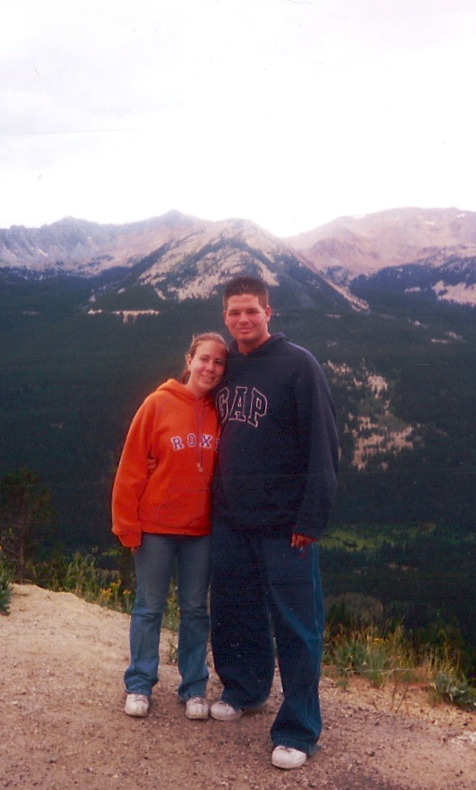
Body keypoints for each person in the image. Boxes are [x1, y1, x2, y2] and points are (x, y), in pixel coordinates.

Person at [209, 276, 339, 770]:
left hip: (287, 524)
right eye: (235, 312)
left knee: (296, 625)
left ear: (269, 312)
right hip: (231, 519)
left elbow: (323, 447)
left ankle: (299, 729)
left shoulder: (298, 364)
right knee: (235, 610)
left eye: (252, 311)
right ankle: (246, 689)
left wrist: (312, 517)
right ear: (225, 317)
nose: (243, 320)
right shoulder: (226, 365)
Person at [111, 332, 227, 720]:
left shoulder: (219, 411)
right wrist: (126, 524)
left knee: (195, 610)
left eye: (218, 362)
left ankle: (194, 688)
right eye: (204, 359)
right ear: (189, 359)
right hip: (156, 527)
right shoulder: (158, 403)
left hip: (202, 530)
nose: (210, 368)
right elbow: (130, 467)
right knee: (149, 607)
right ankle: (140, 684)